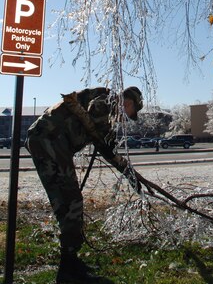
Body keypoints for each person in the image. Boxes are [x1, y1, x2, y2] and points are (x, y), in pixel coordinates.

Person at [26, 86, 143, 284]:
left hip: (50, 141)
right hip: (50, 141)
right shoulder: (107, 101)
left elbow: (105, 145)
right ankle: (68, 271)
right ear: (128, 103)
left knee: (68, 203)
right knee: (72, 203)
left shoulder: (106, 106)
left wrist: (126, 170)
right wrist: (109, 141)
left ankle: (70, 263)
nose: (127, 119)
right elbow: (95, 115)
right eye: (131, 114)